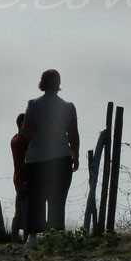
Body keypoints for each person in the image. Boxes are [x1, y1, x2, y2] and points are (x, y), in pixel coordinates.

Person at [20, 69, 80, 248]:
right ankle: (56, 237)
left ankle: (33, 237)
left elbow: (26, 132)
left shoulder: (33, 104)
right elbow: (73, 134)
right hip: (61, 156)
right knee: (58, 198)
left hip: (36, 158)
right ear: (58, 83)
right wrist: (75, 154)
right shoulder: (68, 106)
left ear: (42, 82)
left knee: (36, 197)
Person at [10, 112, 30, 244]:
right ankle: (25, 239)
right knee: (26, 212)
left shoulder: (15, 139)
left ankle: (16, 238)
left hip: (20, 180)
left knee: (20, 211)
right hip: (24, 180)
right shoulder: (21, 141)